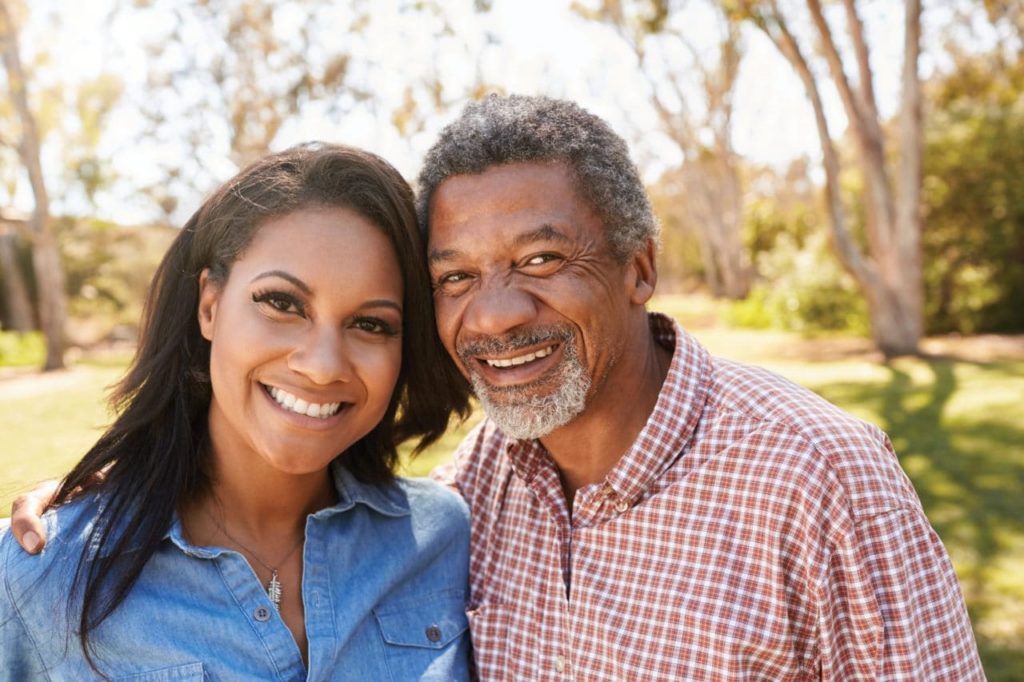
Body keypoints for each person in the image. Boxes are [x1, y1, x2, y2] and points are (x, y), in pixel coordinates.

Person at [11, 95, 985, 680]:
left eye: (543, 256)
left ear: (639, 267)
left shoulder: (817, 472)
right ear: (207, 305)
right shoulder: (480, 496)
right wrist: (94, 501)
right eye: (456, 278)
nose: (497, 312)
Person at [0, 143, 472, 680]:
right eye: (282, 303)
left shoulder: (444, 539)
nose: (321, 367)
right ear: (210, 304)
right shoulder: (44, 570)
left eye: (370, 324)